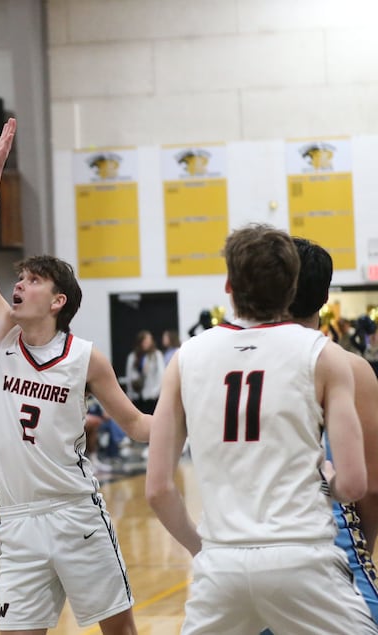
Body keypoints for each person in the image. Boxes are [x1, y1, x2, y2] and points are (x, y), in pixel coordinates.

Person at [0, 117, 149, 634]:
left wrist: (195, 414)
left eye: (33, 280)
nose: (19, 285)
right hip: (17, 521)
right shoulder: (1, 334)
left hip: (76, 515)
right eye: (19, 278)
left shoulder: (85, 356)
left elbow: (136, 426)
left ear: (58, 300)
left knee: (121, 633)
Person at [145, 224, 377, 634]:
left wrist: (208, 552)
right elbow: (358, 485)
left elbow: (159, 490)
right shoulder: (326, 356)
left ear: (229, 286)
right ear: (291, 288)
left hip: (222, 565)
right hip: (303, 559)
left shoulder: (186, 357)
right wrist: (329, 479)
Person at [286, 237, 378, 624]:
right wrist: (362, 549)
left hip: (238, 555)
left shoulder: (221, 358)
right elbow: (370, 486)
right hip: (328, 546)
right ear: (325, 297)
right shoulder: (346, 366)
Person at [124, 329, 164, 414]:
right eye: (145, 341)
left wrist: (156, 392)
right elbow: (129, 376)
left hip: (152, 396)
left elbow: (161, 375)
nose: (147, 343)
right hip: (137, 396)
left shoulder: (156, 355)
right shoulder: (133, 356)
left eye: (149, 341)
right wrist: (130, 394)